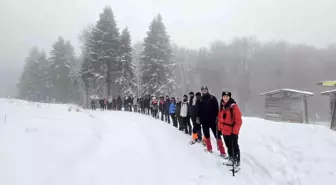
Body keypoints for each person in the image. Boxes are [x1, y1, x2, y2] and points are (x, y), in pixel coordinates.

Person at [218, 91, 242, 166]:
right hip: (225, 131)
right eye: (224, 97)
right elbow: (220, 118)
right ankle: (231, 158)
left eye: (227, 97)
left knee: (234, 146)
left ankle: (237, 160)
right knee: (228, 146)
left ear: (229, 97)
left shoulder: (233, 107)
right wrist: (219, 129)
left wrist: (235, 132)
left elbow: (239, 121)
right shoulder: (222, 106)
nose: (225, 98)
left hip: (232, 132)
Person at [199, 86, 225, 156]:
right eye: (203, 90)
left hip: (213, 120)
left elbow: (217, 109)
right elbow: (198, 110)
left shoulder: (212, 98)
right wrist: (198, 119)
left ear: (207, 90)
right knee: (206, 135)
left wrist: (217, 118)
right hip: (204, 121)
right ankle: (209, 148)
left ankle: (222, 151)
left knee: (217, 135)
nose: (204, 91)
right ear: (201, 91)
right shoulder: (200, 99)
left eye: (205, 90)